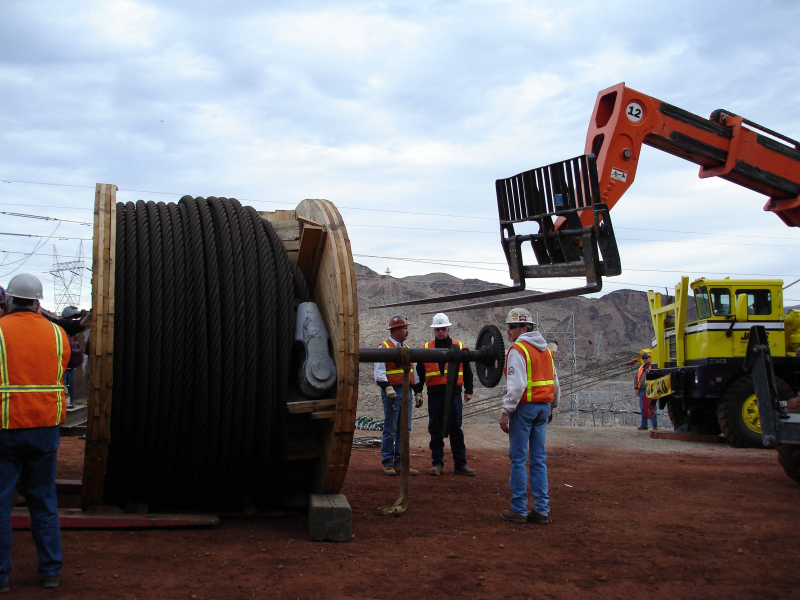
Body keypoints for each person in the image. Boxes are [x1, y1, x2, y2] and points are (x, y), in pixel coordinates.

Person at [0, 274, 71, 591]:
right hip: (44, 428)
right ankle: (51, 572)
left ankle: (1, 578)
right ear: (38, 302)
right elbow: (63, 366)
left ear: (9, 300)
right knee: (43, 501)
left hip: (5, 427)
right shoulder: (57, 333)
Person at [499, 307, 559, 525]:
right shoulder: (546, 352)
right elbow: (555, 383)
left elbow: (517, 386)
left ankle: (519, 509)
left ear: (524, 329)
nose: (508, 330)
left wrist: (506, 412)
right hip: (543, 408)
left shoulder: (518, 350)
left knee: (518, 459)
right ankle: (541, 509)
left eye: (512, 326)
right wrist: (552, 406)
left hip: (524, 409)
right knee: (538, 459)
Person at [414, 313, 476, 477]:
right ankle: (437, 464)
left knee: (456, 429)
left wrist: (469, 390)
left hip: (454, 394)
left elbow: (467, 371)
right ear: (434, 331)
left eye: (443, 329)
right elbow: (419, 373)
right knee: (435, 429)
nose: (440, 332)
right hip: (435, 395)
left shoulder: (460, 346)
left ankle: (460, 464)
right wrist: (418, 391)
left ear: (448, 329)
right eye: (437, 329)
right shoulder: (425, 349)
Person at [374, 315, 418, 477]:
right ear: (396, 330)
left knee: (405, 428)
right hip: (393, 392)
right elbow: (379, 372)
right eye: (405, 328)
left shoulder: (406, 348)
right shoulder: (384, 347)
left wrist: (417, 391)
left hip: (406, 391)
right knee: (391, 427)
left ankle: (400, 463)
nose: (407, 331)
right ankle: (387, 462)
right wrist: (387, 388)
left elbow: (413, 372)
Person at [636, 352, 658, 431]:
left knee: (652, 407)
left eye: (646, 358)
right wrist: (636, 388)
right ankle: (644, 425)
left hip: (651, 390)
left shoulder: (654, 367)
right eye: (643, 358)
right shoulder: (641, 368)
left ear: (650, 358)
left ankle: (654, 426)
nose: (645, 360)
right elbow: (636, 378)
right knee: (643, 408)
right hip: (642, 390)